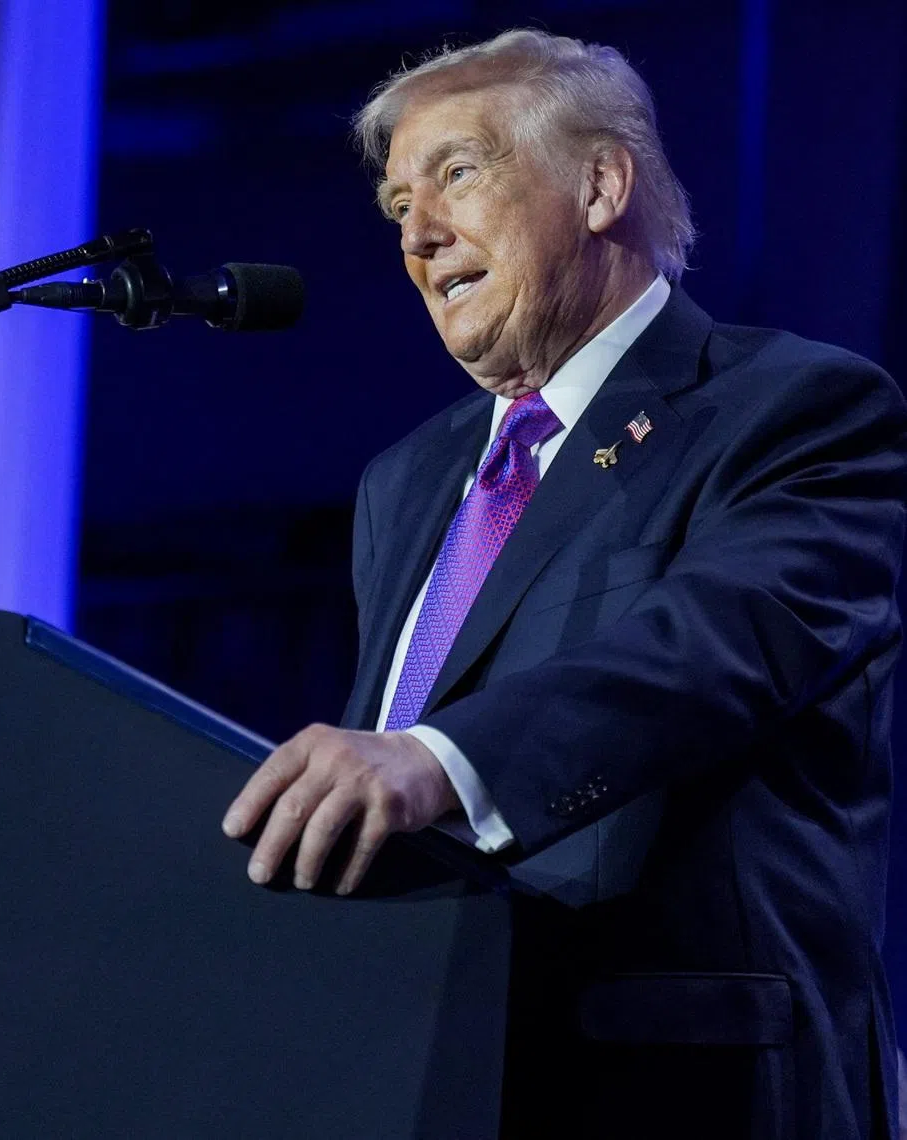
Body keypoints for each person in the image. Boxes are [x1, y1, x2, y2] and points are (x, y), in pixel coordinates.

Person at [221, 28, 907, 1138]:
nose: (419, 235)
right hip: (414, 1067)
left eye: (456, 173)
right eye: (398, 205)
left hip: (675, 1083)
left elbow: (715, 644)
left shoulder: (795, 408)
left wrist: (440, 762)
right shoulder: (408, 479)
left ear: (598, 184)